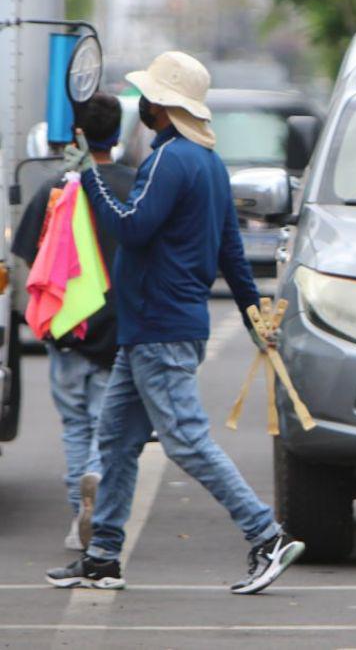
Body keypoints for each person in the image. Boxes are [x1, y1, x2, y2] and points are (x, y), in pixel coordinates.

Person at [45, 50, 305, 593]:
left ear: (161, 106)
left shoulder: (169, 159)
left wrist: (89, 174)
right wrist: (252, 314)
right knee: (116, 440)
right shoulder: (208, 162)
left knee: (185, 440)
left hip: (158, 327)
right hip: (156, 329)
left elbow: (131, 227)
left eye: (148, 97)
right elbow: (231, 251)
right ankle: (103, 556)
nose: (142, 105)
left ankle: (266, 535)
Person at [12, 93, 135, 552]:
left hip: (67, 327)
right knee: (108, 424)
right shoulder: (136, 187)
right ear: (117, 136)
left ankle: (76, 514)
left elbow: (30, 259)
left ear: (76, 134)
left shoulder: (56, 189)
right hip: (118, 329)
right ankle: (98, 498)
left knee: (74, 424)